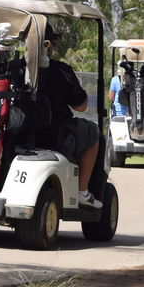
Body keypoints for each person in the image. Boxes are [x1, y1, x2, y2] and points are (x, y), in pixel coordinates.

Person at [39, 28, 102, 208]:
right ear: (48, 45)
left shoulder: (16, 67)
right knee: (92, 130)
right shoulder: (61, 71)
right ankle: (82, 190)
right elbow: (81, 106)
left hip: (21, 134)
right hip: (55, 134)